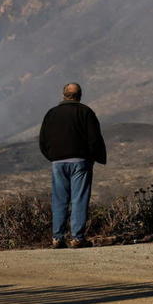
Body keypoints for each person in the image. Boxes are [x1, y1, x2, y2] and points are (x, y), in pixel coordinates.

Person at [38, 83, 106, 248]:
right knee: (79, 199)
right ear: (80, 95)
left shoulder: (52, 114)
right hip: (80, 162)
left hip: (58, 163)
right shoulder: (85, 112)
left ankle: (57, 238)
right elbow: (95, 138)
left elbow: (43, 140)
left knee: (59, 200)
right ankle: (77, 238)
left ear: (63, 95)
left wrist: (53, 157)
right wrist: (93, 157)